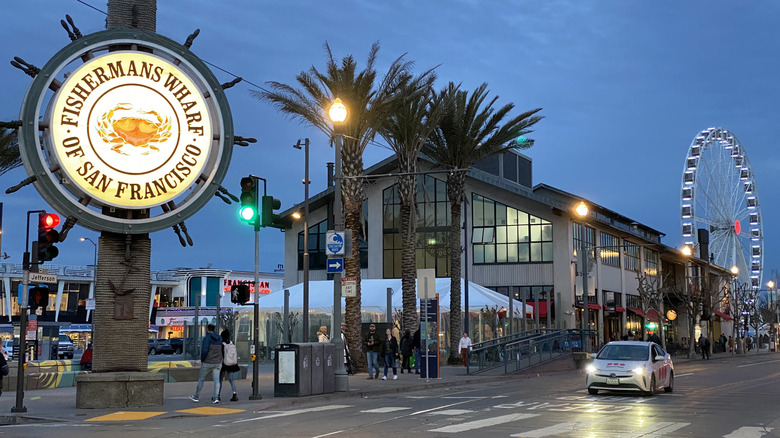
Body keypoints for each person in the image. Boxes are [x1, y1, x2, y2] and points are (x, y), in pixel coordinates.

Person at [190, 324, 223, 403]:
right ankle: (216, 397)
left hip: (207, 362)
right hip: (218, 362)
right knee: (216, 380)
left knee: (201, 379)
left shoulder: (207, 338)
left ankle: (196, 396)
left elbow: (205, 350)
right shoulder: (220, 338)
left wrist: (202, 359)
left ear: (208, 329)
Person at [219, 330, 240, 402]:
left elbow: (221, 355)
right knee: (231, 380)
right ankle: (235, 394)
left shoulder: (222, 345)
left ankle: (217, 395)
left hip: (224, 364)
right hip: (231, 364)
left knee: (220, 380)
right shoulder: (232, 344)